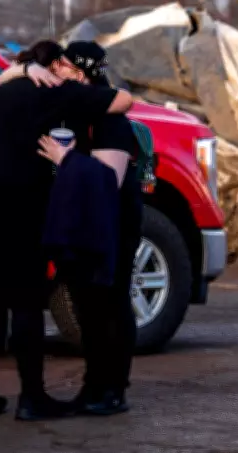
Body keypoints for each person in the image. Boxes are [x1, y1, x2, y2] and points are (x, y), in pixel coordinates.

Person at [0, 40, 137, 422]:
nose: (65, 72)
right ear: (51, 70)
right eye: (61, 65)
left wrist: (23, 71)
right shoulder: (60, 93)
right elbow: (123, 100)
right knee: (26, 300)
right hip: (13, 202)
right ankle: (32, 399)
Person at [30, 41, 143, 415]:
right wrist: (28, 69)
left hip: (112, 221)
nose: (56, 71)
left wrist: (66, 159)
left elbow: (108, 180)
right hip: (80, 219)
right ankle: (93, 385)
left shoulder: (110, 119)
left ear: (82, 73)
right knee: (84, 304)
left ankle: (114, 389)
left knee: (110, 301)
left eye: (63, 66)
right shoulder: (70, 108)